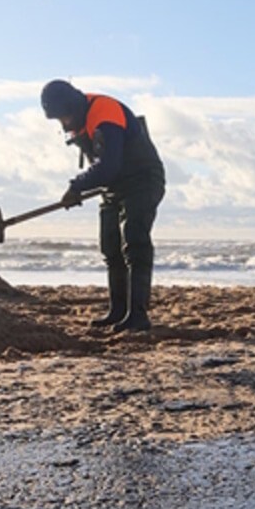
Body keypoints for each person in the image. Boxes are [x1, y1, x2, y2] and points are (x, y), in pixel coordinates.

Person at [40, 79, 166, 332]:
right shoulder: (80, 122)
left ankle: (138, 316)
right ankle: (118, 311)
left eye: (63, 117)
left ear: (72, 106)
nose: (63, 124)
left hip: (143, 181)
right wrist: (82, 186)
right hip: (113, 189)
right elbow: (103, 169)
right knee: (111, 247)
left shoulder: (105, 113)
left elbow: (109, 166)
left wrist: (76, 186)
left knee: (134, 242)